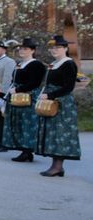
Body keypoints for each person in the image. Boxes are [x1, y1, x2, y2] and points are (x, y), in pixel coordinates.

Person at [35, 35, 81, 177]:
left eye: (58, 47)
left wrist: (50, 95)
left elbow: (68, 87)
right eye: (52, 47)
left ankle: (57, 166)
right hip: (50, 101)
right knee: (52, 133)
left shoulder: (68, 63)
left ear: (65, 49)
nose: (54, 50)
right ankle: (56, 166)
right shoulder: (54, 64)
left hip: (61, 103)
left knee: (60, 133)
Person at [1, 38, 46, 162]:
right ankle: (24, 150)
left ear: (32, 50)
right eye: (21, 48)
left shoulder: (36, 64)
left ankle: (27, 150)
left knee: (28, 124)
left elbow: (35, 82)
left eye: (25, 49)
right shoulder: (19, 64)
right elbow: (13, 80)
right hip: (16, 96)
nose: (22, 51)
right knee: (18, 123)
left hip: (28, 97)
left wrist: (19, 89)